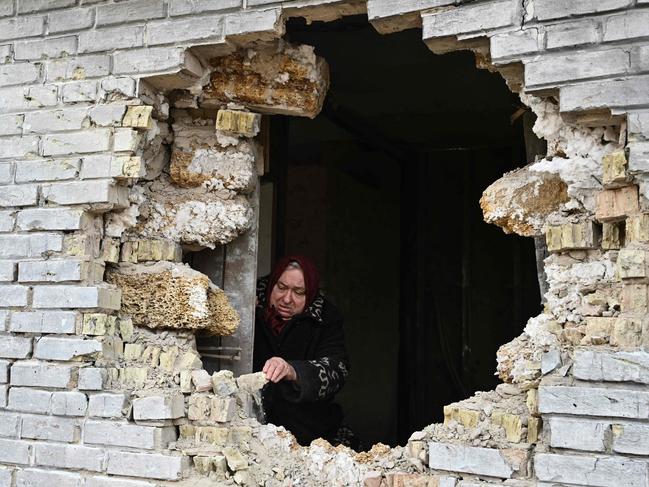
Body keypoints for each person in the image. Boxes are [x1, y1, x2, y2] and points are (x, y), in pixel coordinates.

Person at [253, 255, 357, 448]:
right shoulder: (250, 304)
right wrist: (242, 313)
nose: (287, 299)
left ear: (310, 294)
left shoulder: (325, 318)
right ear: (271, 285)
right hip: (251, 429)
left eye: (299, 292)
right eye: (281, 288)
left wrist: (294, 371)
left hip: (309, 433)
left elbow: (337, 370)